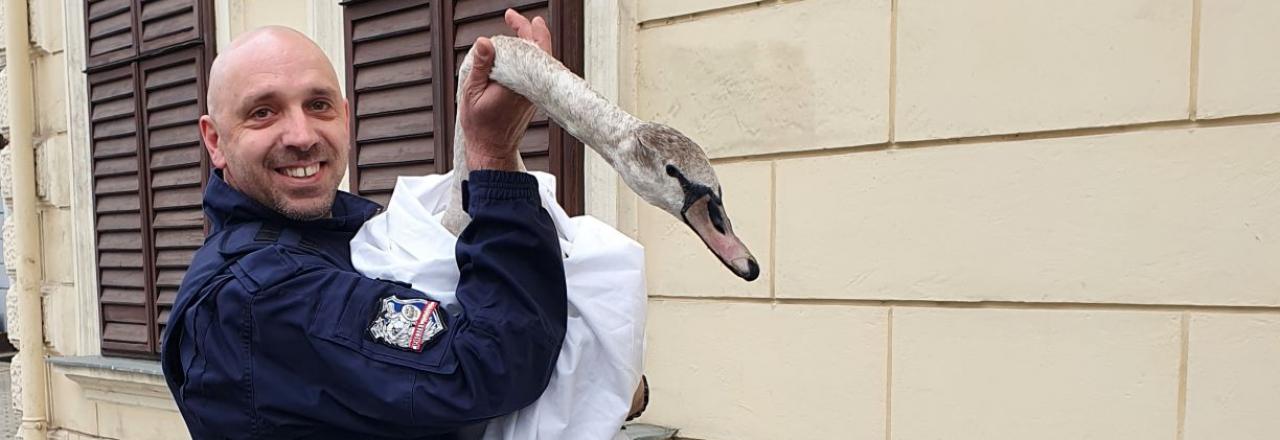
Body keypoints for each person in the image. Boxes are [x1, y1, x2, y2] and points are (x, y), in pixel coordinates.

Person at [161, 10, 572, 439]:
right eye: (263, 112)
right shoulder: (261, 294)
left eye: (317, 105)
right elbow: (491, 367)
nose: (301, 136)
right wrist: (492, 154)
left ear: (344, 116)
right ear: (215, 141)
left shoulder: (338, 235)